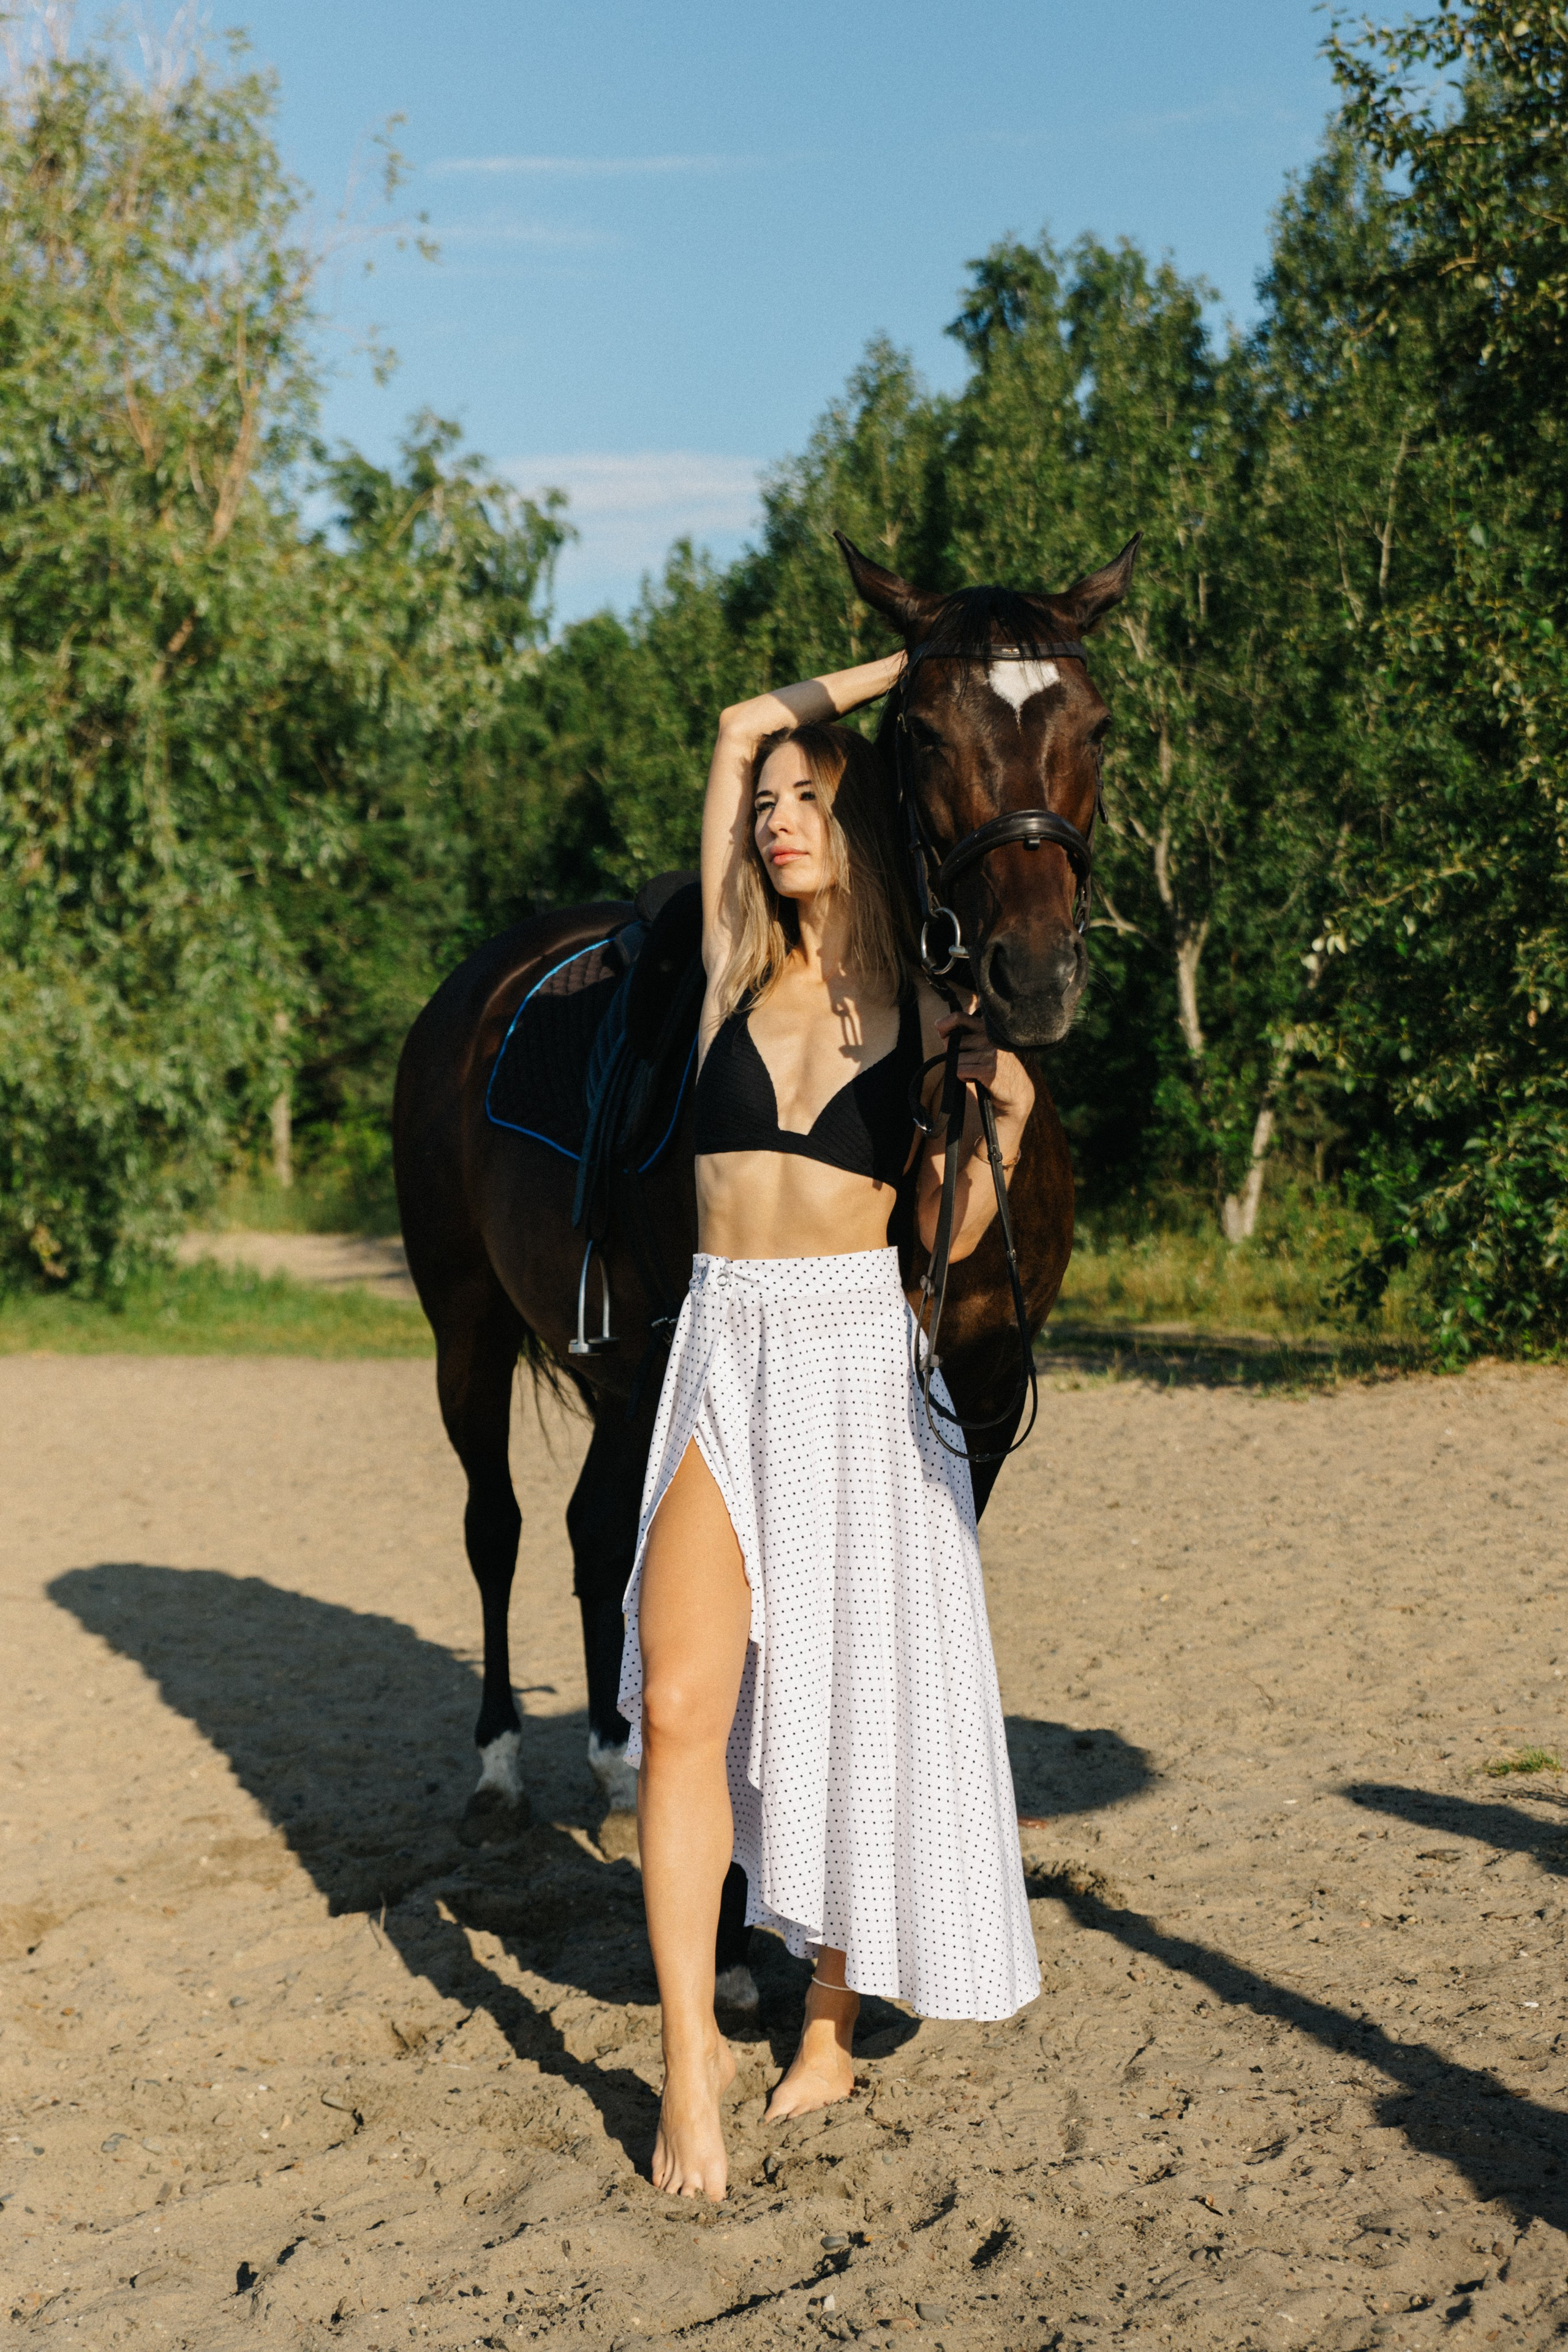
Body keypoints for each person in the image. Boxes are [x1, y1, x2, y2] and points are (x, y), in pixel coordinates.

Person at [617, 654, 1041, 2200]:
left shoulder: (930, 1019)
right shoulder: (733, 964)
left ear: (866, 831)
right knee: (678, 1703)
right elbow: (735, 720)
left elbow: (939, 1233)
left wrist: (995, 1131)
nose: (780, 819)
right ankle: (686, 2066)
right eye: (772, 806)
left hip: (857, 1362)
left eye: (811, 802)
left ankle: (826, 2016)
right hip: (725, 1348)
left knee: (853, 1705)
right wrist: (902, 673)